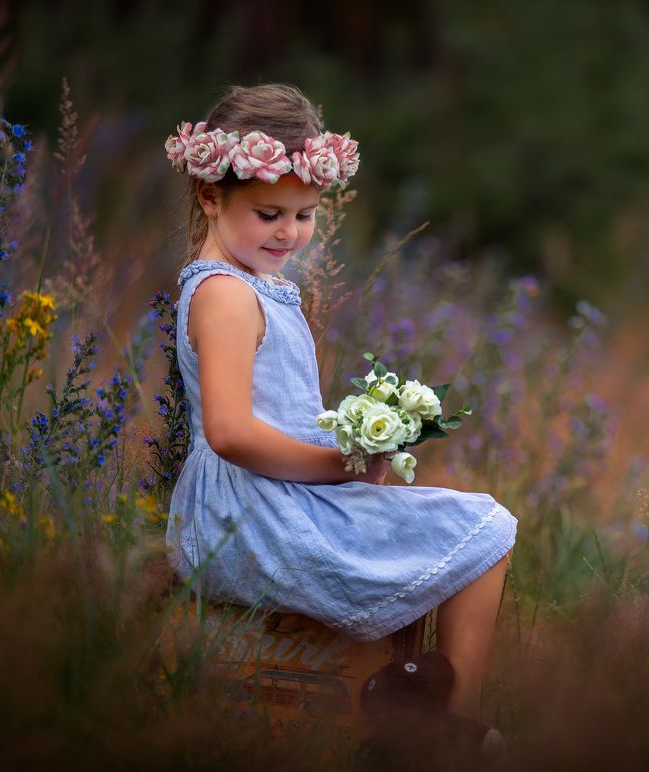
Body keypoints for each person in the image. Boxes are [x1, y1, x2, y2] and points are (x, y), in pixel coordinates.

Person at [163, 84, 518, 738]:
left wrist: (363, 441)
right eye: (269, 213)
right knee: (484, 528)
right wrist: (342, 465)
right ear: (210, 196)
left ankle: (423, 712)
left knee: (452, 527)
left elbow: (279, 414)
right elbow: (231, 432)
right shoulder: (223, 296)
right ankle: (449, 728)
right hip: (250, 515)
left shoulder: (256, 288)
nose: (288, 233)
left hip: (279, 496)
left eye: (303, 215)